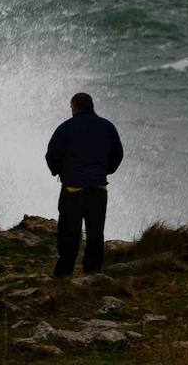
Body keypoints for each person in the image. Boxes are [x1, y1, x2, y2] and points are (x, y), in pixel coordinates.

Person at [45, 92, 124, 276]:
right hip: (98, 188)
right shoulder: (107, 127)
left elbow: (52, 155)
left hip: (73, 188)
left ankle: (64, 272)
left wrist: (59, 172)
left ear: (74, 107)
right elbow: (118, 154)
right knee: (95, 232)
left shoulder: (66, 127)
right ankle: (93, 272)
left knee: (69, 233)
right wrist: (105, 171)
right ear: (91, 106)